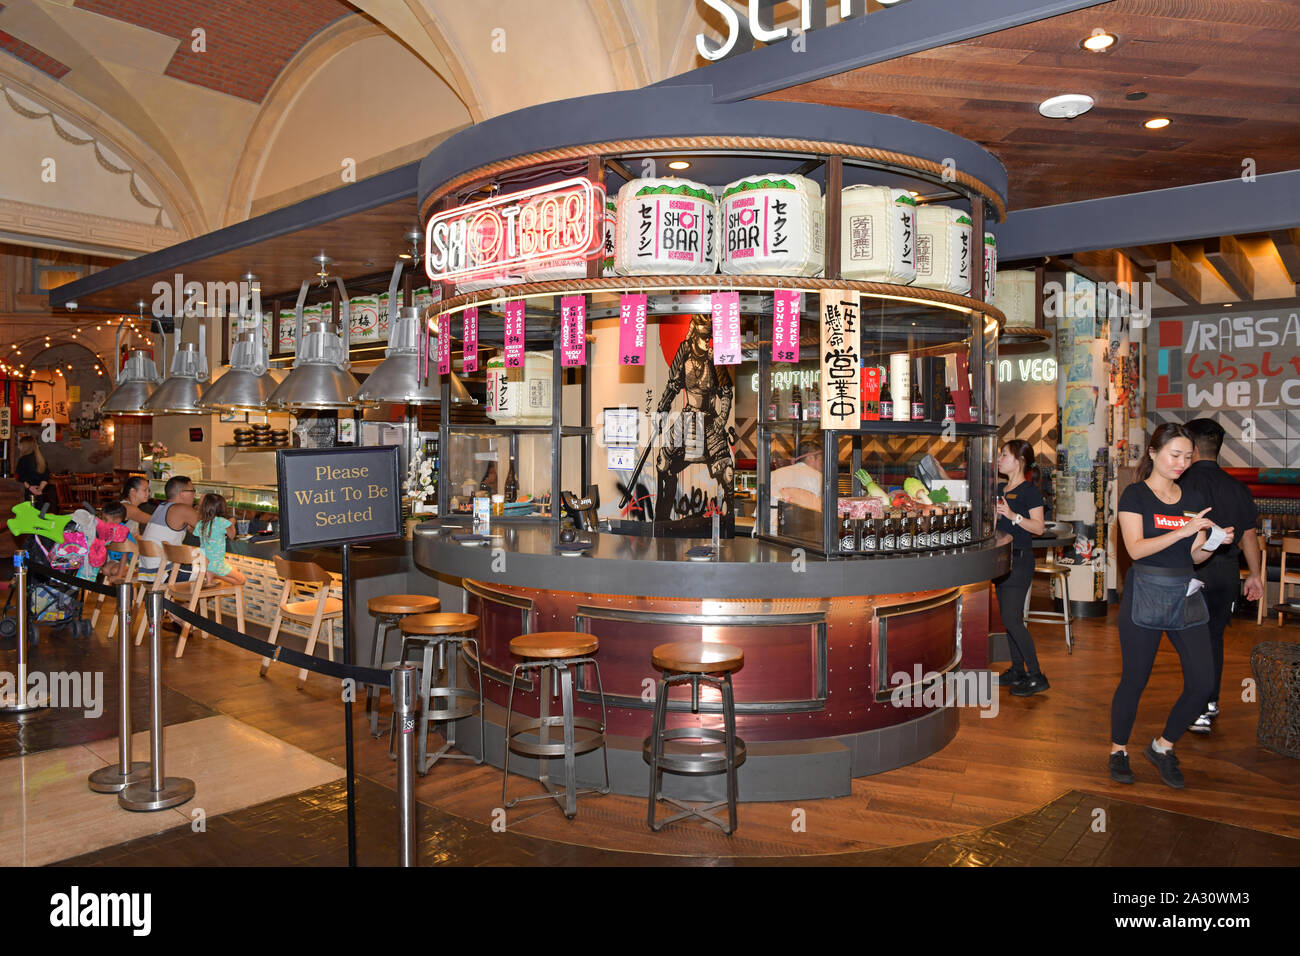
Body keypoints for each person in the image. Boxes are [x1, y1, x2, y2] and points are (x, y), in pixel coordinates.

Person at [1110, 423, 1233, 789]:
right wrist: (1181, 530)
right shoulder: (1135, 496)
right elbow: (1135, 549)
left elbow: (1194, 557)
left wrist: (1213, 541)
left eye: (1187, 456)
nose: (1181, 462)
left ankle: (1162, 746)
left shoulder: (1192, 497)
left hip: (1185, 591)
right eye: (1174, 455)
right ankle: (1118, 750)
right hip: (1144, 592)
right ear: (1153, 453)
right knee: (1134, 680)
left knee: (1203, 683)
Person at [1177, 418, 1263, 734]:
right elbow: (1249, 536)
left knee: (1192, 639)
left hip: (1192, 570)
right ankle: (1209, 701)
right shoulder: (1237, 486)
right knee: (1213, 637)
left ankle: (1197, 706)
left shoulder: (1182, 485)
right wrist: (1254, 576)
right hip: (1227, 573)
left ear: (1194, 447)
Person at [993, 440, 1048, 696]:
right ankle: (1017, 670)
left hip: (1021, 560)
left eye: (1004, 455)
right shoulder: (1001, 488)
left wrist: (1013, 514)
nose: (1000, 459)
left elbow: (1038, 528)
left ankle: (1037, 675)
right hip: (1003, 560)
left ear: (1020, 461)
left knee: (1013, 619)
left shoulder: (1030, 491)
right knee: (1007, 619)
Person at [140, 475, 198, 579]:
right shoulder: (182, 508)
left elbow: (192, 528)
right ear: (182, 493)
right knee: (213, 570)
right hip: (165, 572)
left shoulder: (162, 507)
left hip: (148, 572)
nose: (195, 495)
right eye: (193, 491)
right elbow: (210, 527)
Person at [196, 493, 245, 588]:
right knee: (241, 580)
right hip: (217, 564)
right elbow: (232, 535)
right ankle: (214, 574)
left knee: (233, 570)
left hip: (204, 563)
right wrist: (232, 524)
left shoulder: (201, 524)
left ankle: (210, 577)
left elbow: (196, 533)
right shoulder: (222, 522)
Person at [15, 435, 53, 508]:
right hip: (39, 495)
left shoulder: (23, 460)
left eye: (20, 445)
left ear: (24, 446)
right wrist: (40, 489)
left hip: (27, 494)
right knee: (38, 517)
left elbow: (19, 478)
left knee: (28, 517)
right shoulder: (41, 460)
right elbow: (45, 477)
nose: (18, 447)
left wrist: (30, 487)